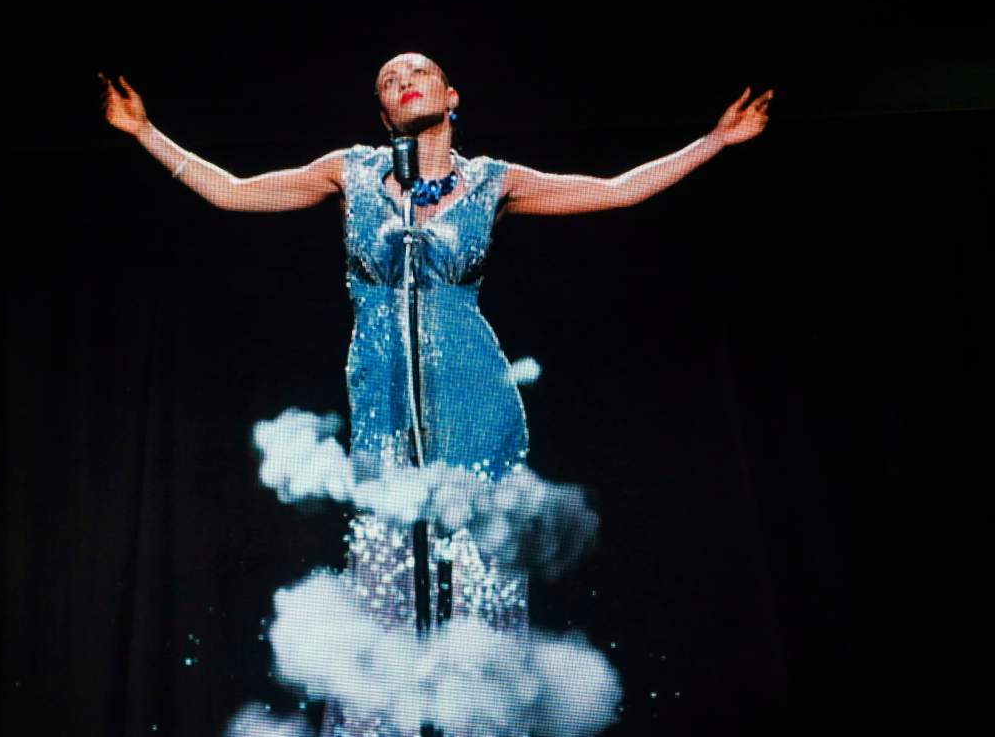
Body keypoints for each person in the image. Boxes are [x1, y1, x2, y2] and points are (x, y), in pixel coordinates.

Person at [100, 53, 772, 737]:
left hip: (477, 408)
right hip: (384, 410)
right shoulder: (351, 171)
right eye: (388, 82)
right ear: (383, 113)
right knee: (383, 598)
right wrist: (146, 132)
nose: (403, 82)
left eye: (417, 73)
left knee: (484, 602)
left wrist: (715, 141)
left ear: (452, 95)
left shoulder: (494, 181)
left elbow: (616, 189)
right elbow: (236, 190)